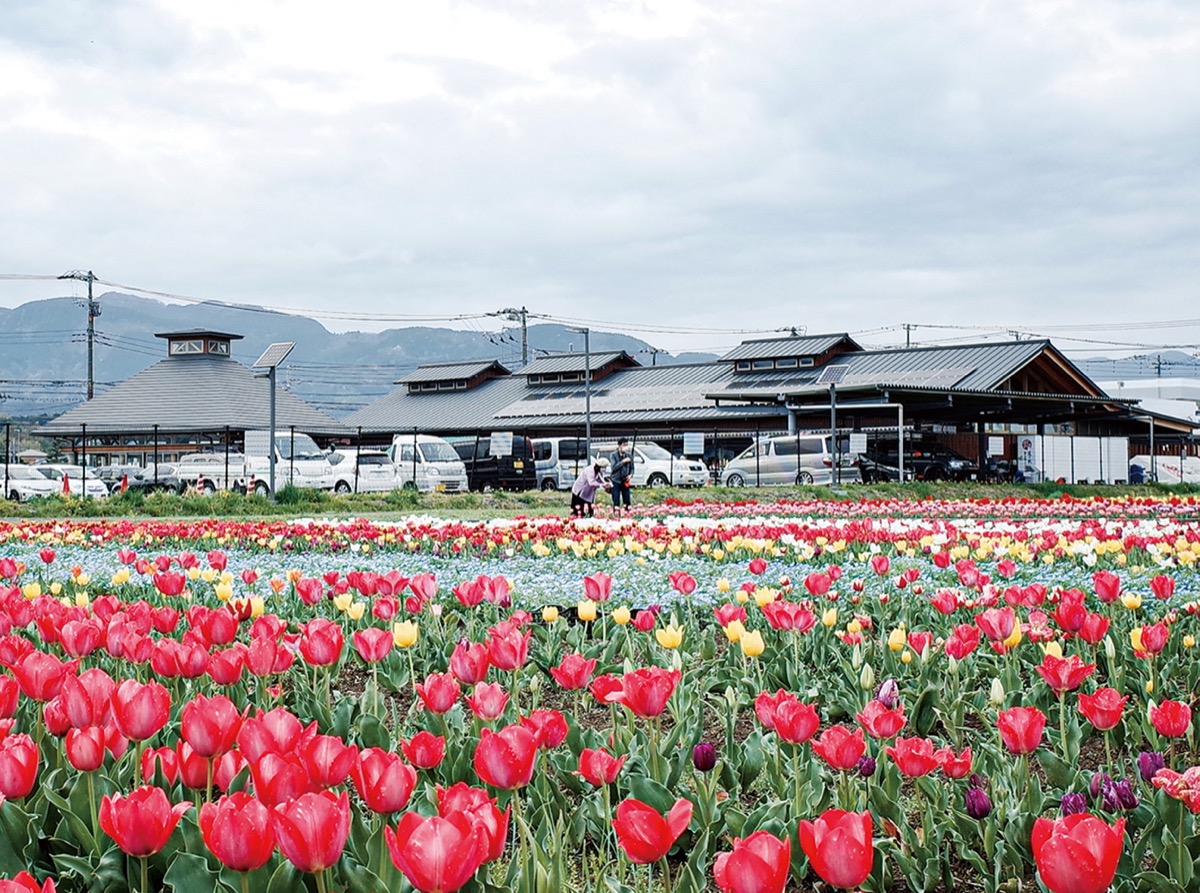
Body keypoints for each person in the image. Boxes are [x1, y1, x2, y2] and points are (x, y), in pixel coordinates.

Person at [608, 438, 635, 515]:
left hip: (625, 480)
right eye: (624, 445)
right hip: (616, 480)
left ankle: (627, 514)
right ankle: (616, 515)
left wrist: (631, 475)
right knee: (616, 500)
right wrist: (623, 461)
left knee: (627, 499)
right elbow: (614, 467)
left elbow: (632, 468)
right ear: (619, 445)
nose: (626, 447)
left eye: (627, 445)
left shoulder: (629, 455)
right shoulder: (613, 455)